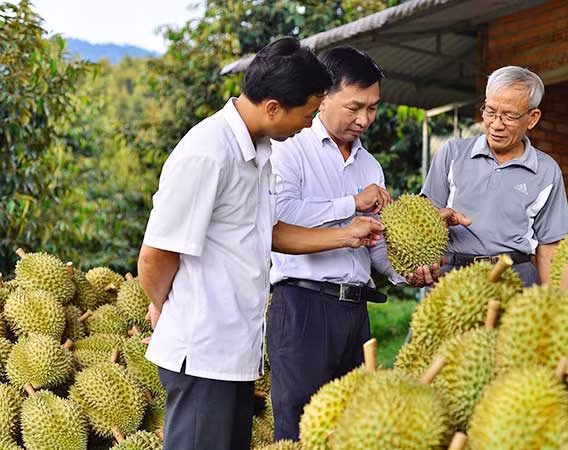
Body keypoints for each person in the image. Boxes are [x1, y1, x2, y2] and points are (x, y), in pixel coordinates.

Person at [137, 37, 385, 450]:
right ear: (273, 107)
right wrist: (166, 307)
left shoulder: (259, 150)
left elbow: (268, 231)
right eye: (307, 114)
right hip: (203, 348)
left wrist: (347, 233)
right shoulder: (207, 153)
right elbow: (157, 253)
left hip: (235, 350)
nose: (309, 123)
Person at [267, 46, 470, 441]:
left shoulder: (370, 165)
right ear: (322, 96)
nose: (364, 119)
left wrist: (403, 272)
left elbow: (373, 241)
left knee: (356, 425)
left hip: (355, 311)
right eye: (354, 107)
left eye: (373, 109)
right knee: (298, 428)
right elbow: (279, 219)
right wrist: (351, 203)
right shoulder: (290, 149)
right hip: (302, 306)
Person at [421, 65, 568, 286]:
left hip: (516, 279)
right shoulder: (453, 153)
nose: (496, 124)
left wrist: (555, 303)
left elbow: (549, 246)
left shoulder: (547, 171)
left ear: (532, 118)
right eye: (490, 112)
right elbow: (423, 215)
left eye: (509, 116)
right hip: (455, 276)